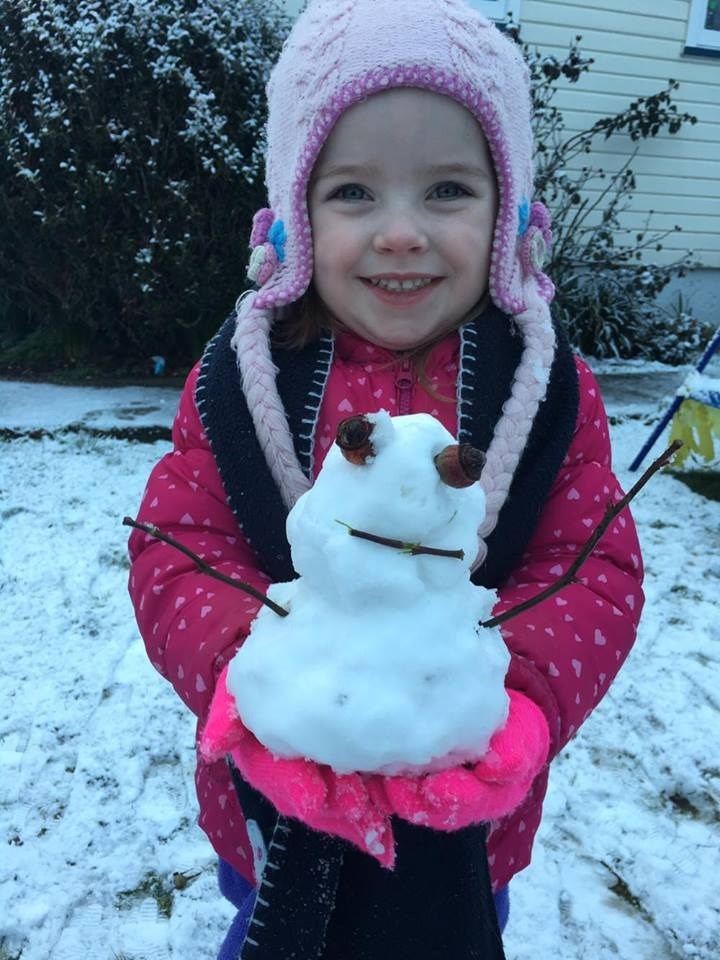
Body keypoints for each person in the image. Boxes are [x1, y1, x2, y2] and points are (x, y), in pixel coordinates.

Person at [127, 1, 644, 957]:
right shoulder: (246, 386)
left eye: (447, 189)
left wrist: (512, 702)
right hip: (277, 799)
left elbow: (592, 564)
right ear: (292, 216)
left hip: (465, 816)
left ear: (509, 212)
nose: (400, 233)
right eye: (353, 193)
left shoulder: (546, 392)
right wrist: (255, 674)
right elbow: (180, 546)